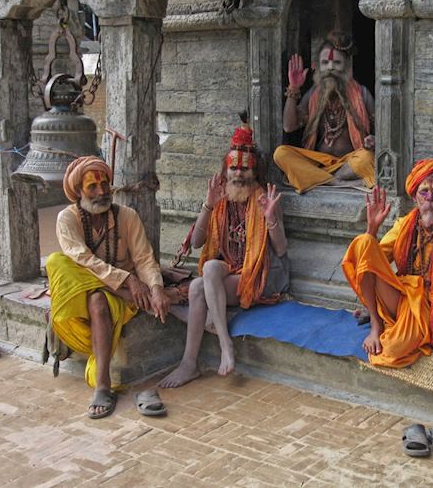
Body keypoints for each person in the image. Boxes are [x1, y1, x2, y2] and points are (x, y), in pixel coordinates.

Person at [159, 120, 289, 388]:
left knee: (202, 282)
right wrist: (208, 204)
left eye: (244, 169)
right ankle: (191, 363)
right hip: (228, 272)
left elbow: (281, 249)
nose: (238, 174)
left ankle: (220, 345)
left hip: (261, 275)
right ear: (225, 170)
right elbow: (196, 243)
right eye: (233, 168)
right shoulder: (219, 200)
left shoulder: (263, 199)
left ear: (254, 173)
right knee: (203, 277)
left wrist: (271, 218)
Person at [46, 156, 172, 419]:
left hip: (113, 300)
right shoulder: (66, 219)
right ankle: (118, 290)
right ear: (78, 192)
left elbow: (144, 259)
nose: (102, 192)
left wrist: (157, 288)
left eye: (105, 184)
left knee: (99, 301)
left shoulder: (127, 216)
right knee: (57, 262)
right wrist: (126, 281)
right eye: (92, 187)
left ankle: (102, 386)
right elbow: (81, 258)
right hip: (81, 292)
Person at [341, 158, 433, 367]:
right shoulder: (404, 224)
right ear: (414, 197)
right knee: (364, 242)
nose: (430, 198)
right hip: (402, 296)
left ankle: (392, 327)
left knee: (391, 350)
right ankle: (377, 324)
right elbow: (371, 263)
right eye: (424, 192)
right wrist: (372, 229)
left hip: (431, 309)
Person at [273, 30, 376, 193]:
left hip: (350, 164)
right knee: (280, 154)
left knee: (368, 158)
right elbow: (289, 126)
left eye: (336, 63)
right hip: (319, 164)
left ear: (347, 66)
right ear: (318, 67)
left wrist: (375, 140)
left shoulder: (362, 93)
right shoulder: (313, 94)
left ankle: (318, 179)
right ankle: (335, 182)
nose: (330, 68)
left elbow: (384, 129)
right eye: (325, 63)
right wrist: (293, 88)